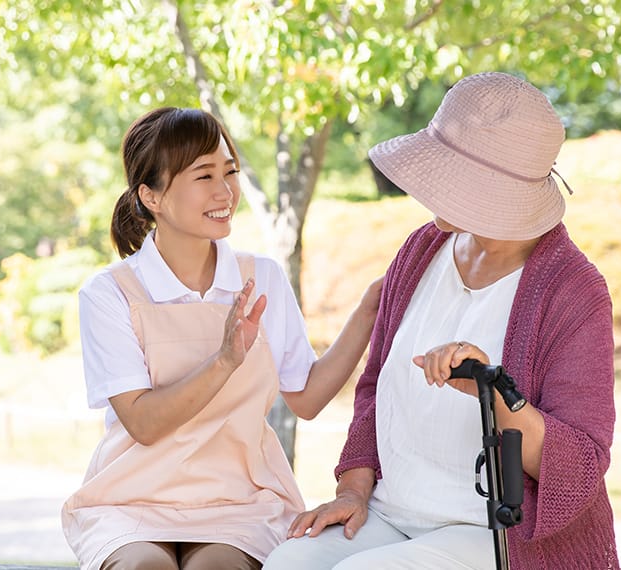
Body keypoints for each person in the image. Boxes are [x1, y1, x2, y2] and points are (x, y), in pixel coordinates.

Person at [264, 72, 619, 569]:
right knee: (289, 564)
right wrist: (353, 491)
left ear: (488, 188)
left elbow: (580, 467)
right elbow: (374, 392)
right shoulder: (419, 252)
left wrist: (491, 392)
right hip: (393, 512)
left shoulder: (572, 290)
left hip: (495, 534)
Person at [61, 107, 383, 570]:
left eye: (229, 171)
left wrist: (369, 308)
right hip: (132, 498)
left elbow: (307, 397)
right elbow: (143, 423)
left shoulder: (263, 276)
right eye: (204, 175)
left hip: (242, 500)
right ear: (151, 196)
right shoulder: (110, 293)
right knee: (142, 568)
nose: (225, 190)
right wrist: (224, 360)